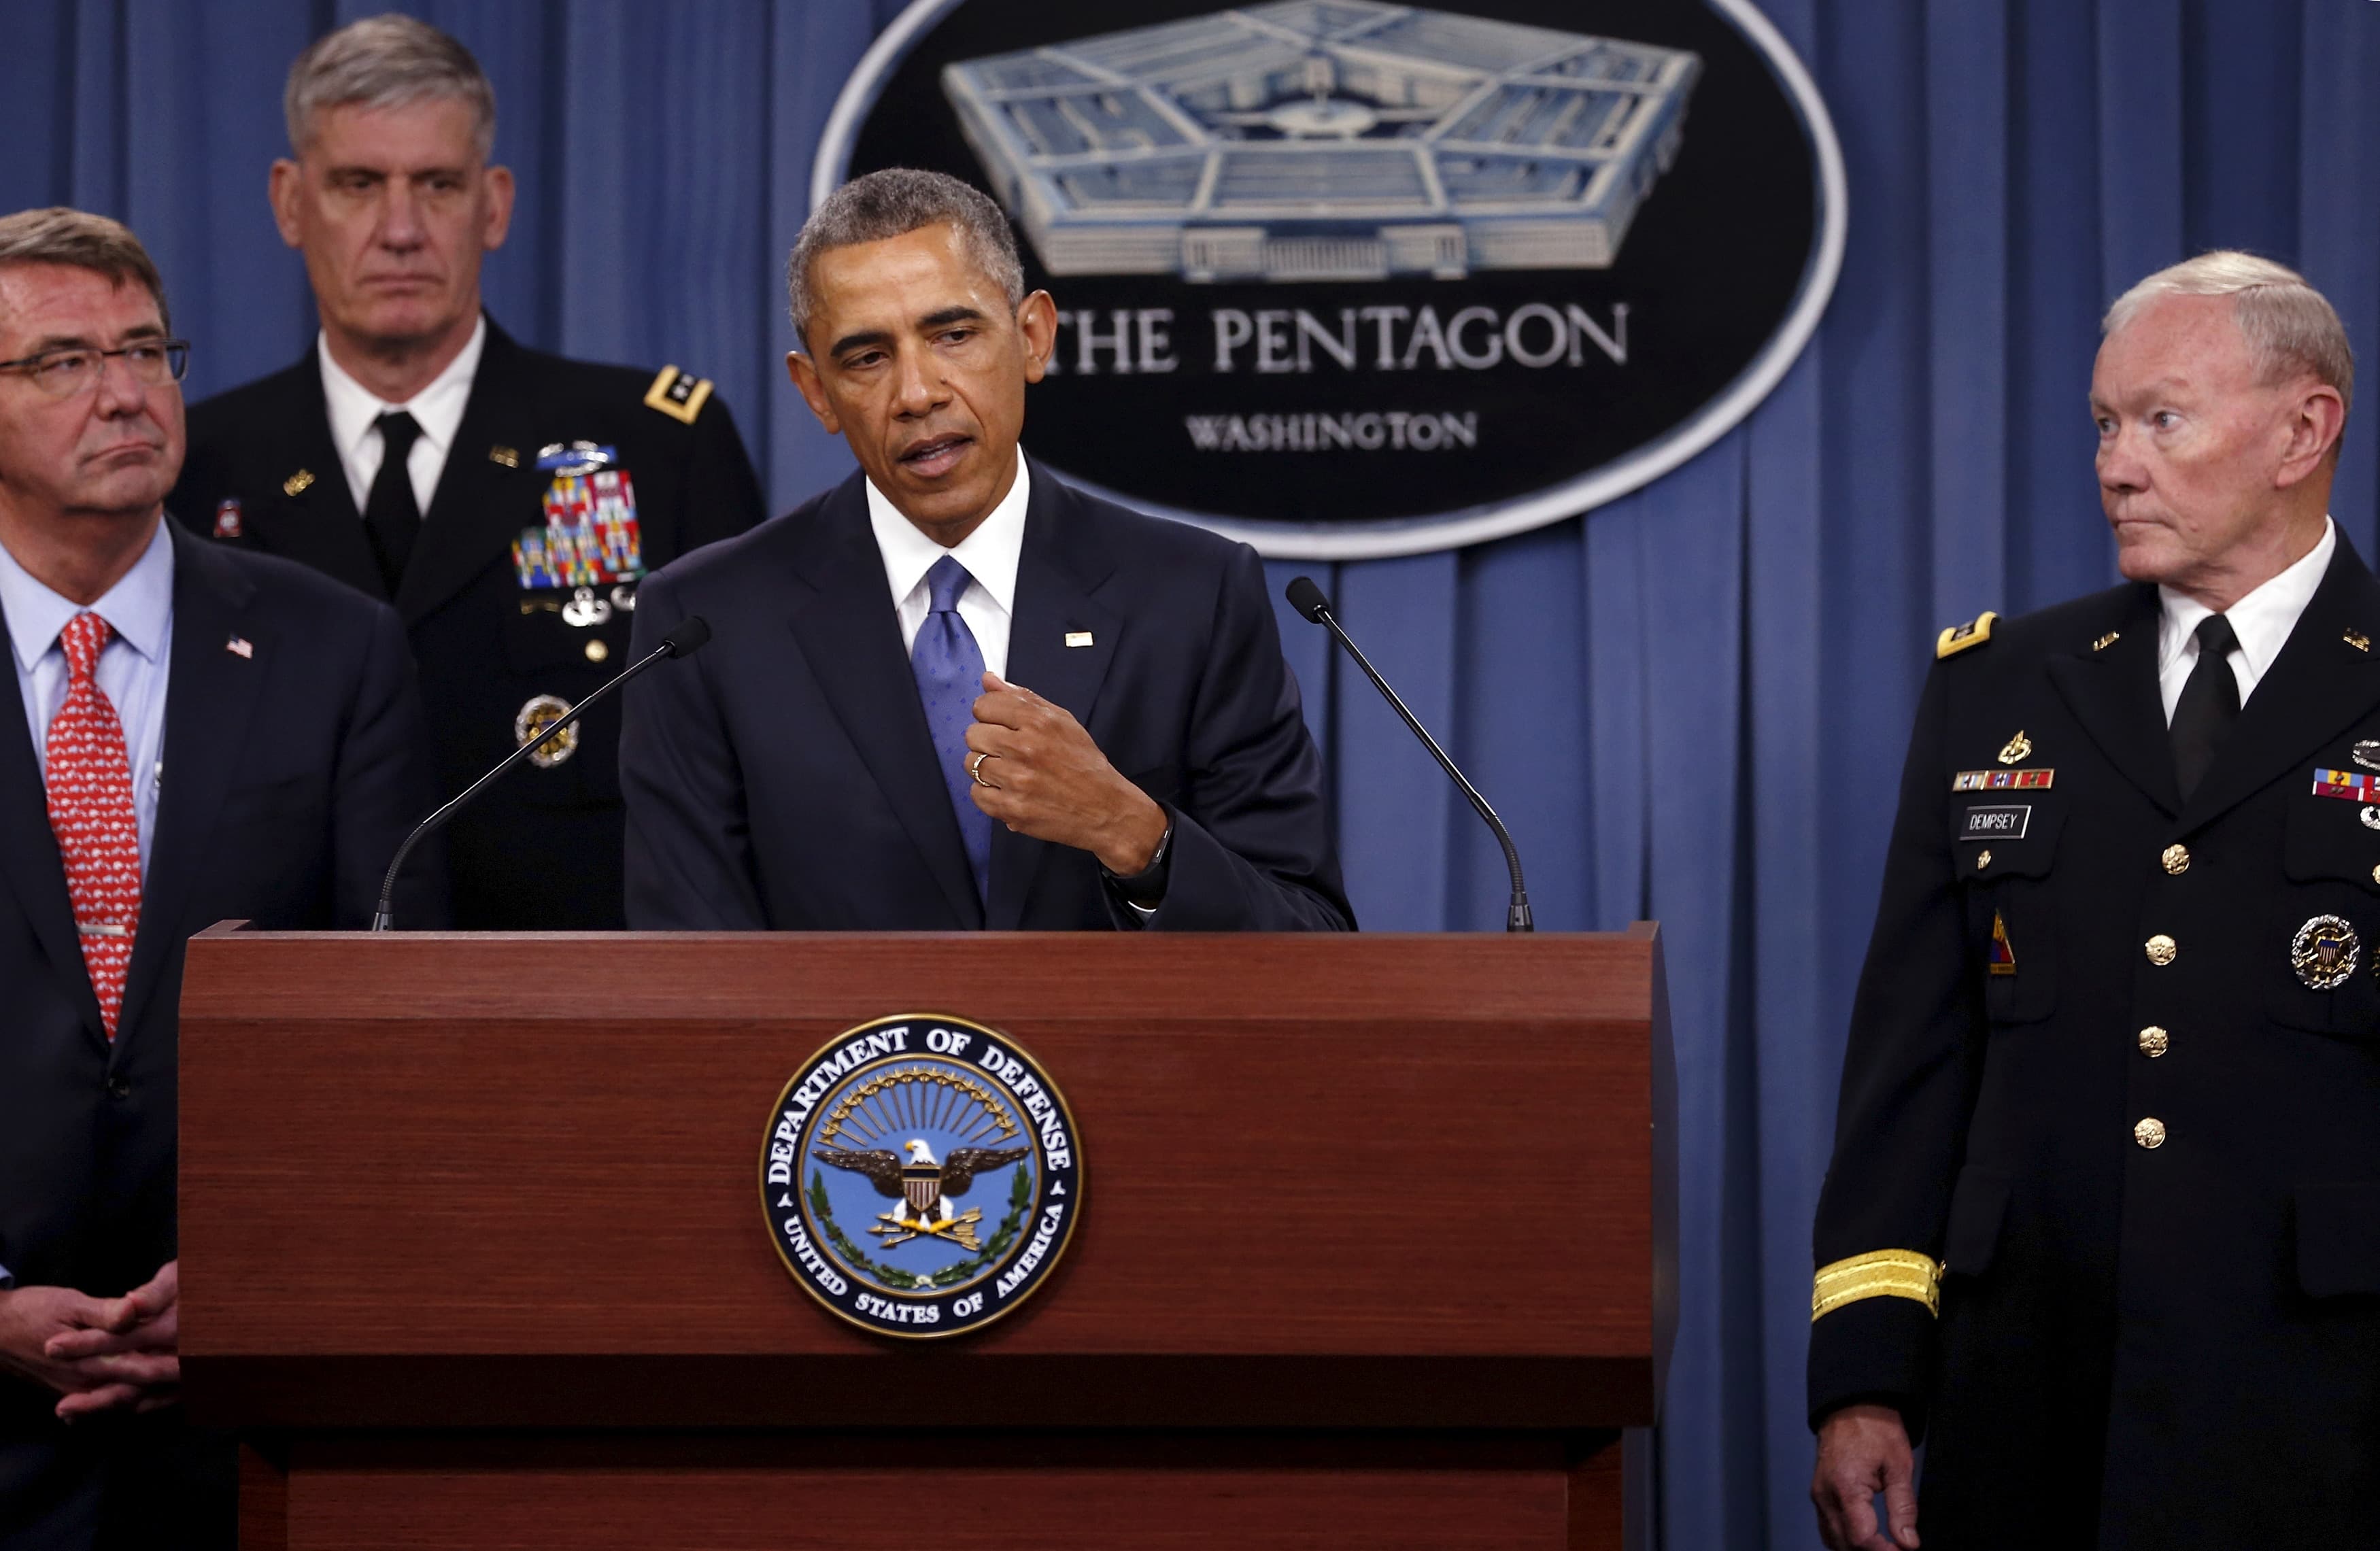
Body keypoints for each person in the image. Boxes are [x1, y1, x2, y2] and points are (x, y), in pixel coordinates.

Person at [1809, 252, 2378, 1550]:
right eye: (2105, 425)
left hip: (2328, 1418)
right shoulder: (1998, 687)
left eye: (2162, 419)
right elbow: (1911, 1071)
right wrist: (1862, 1377)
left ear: (2305, 428)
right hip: (2031, 1411)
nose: (2117, 463)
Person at [0, 208, 440, 1549]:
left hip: (251, 1399)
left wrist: (264, 1274)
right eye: (63, 363)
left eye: (147, 350)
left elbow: (399, 1022)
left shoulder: (333, 648)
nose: (127, 392)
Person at [620, 169, 1350, 932]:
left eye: (953, 336)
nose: (916, 393)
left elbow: (1311, 939)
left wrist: (1133, 833)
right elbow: (688, 977)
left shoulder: (1191, 596)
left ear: (1032, 336)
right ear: (815, 392)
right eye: (866, 357)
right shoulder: (706, 625)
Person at [169, 14, 766, 929]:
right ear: (290, 203)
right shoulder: (197, 465)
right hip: (293, 1021)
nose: (400, 229)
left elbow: (745, 773)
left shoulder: (658, 447)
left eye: (437, 185)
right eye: (358, 185)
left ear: (495, 204)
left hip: (582, 1005)